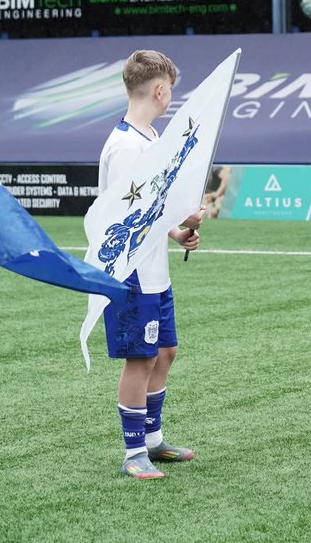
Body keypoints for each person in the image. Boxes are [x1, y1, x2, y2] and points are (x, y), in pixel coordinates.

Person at [97, 51, 204, 478]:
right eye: (170, 90)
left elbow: (152, 209)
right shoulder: (125, 146)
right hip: (130, 273)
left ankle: (154, 440)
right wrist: (182, 217)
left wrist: (177, 231)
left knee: (165, 351)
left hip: (154, 270)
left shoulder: (150, 139)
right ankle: (133, 452)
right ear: (160, 91)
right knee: (140, 359)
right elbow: (128, 218)